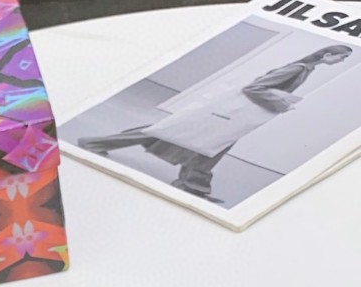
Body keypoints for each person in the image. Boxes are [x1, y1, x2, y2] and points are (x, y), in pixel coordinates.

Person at [78, 44, 354, 201]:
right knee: (168, 134)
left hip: (237, 115)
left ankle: (192, 185)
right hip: (235, 114)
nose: (341, 61)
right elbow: (254, 88)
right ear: (326, 55)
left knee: (200, 142)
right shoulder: (297, 68)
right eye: (341, 56)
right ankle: (95, 143)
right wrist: (280, 104)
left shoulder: (304, 69)